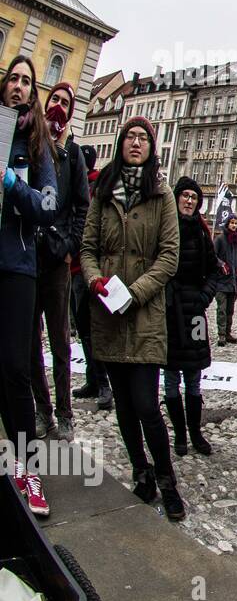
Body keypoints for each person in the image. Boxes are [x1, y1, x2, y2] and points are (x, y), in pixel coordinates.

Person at [80, 117, 185, 520]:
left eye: (143, 138)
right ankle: (140, 473)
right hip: (107, 313)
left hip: (143, 316)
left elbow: (169, 256)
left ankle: (166, 480)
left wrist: (136, 293)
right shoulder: (102, 193)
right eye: (130, 137)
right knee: (123, 406)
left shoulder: (162, 194)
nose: (136, 143)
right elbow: (88, 247)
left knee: (145, 404)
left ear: (151, 147)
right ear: (122, 144)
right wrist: (94, 281)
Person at [1, 56, 60, 517]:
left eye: (27, 81)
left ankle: (30, 466)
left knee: (17, 368)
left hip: (18, 266)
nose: (19, 86)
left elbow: (46, 206)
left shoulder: (37, 146)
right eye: (13, 79)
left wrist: (9, 184)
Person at [31, 82, 90, 442]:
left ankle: (65, 412)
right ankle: (43, 409)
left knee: (60, 339)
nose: (58, 107)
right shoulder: (35, 145)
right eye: (54, 99)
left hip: (57, 260)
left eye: (65, 103)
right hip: (28, 256)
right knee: (29, 340)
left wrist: (71, 245)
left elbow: (83, 204)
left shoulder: (74, 154)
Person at [163, 177, 221, 457]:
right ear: (176, 198)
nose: (188, 200)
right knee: (172, 377)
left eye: (193, 197)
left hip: (195, 314)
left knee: (194, 378)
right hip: (170, 313)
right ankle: (180, 435)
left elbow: (214, 271)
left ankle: (196, 432)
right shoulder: (165, 228)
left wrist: (204, 296)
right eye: (184, 195)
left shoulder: (201, 232)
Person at [71, 145, 113, 410]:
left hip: (93, 269)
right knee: (83, 329)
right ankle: (93, 379)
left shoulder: (98, 187)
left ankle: (104, 383)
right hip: (75, 267)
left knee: (95, 328)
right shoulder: (81, 185)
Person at [213, 215, 237, 346]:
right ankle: (221, 335)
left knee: (230, 309)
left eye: (236, 223)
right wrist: (221, 265)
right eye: (232, 223)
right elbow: (212, 256)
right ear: (227, 224)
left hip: (233, 282)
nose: (234, 225)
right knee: (222, 309)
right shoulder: (219, 239)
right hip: (221, 281)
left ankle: (228, 332)